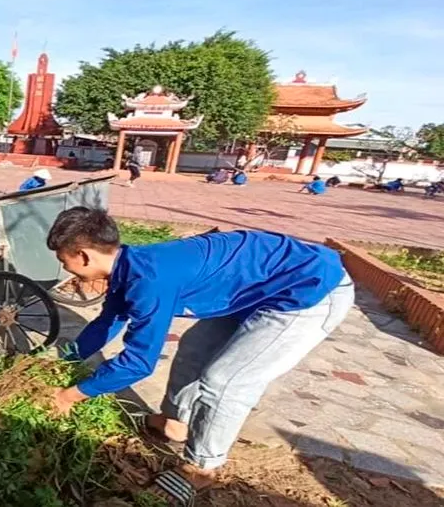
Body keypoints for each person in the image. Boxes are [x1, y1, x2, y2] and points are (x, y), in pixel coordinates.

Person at [45, 207, 353, 505]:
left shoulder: (149, 280)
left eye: (63, 261)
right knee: (193, 347)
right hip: (258, 286)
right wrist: (66, 360)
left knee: (225, 381)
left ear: (83, 256)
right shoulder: (129, 264)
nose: (66, 269)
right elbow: (108, 321)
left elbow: (140, 363)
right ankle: (175, 422)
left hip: (308, 290)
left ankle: (202, 467)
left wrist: (71, 395)